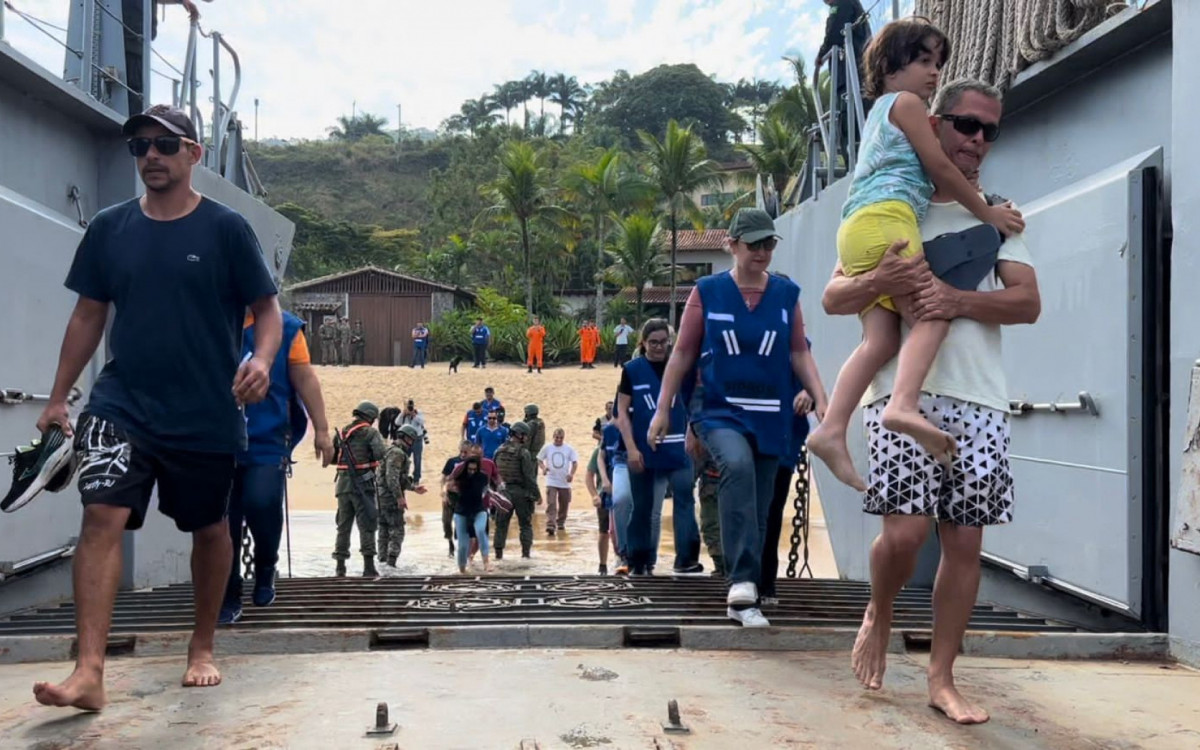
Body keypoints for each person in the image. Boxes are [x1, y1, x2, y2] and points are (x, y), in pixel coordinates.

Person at [32, 104, 280, 709]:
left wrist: (263, 361)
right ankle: (88, 670)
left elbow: (266, 310)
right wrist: (58, 395)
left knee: (209, 527)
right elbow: (89, 314)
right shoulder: (110, 229)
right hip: (124, 405)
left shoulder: (225, 230)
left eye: (165, 146)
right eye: (139, 146)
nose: (150, 157)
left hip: (205, 410)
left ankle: (201, 647)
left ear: (193, 154)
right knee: (101, 518)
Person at [821, 78, 1039, 725]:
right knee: (907, 534)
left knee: (964, 543)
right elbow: (834, 297)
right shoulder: (896, 202)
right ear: (936, 124)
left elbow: (1027, 302)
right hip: (898, 394)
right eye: (966, 125)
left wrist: (956, 300)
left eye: (989, 131)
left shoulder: (998, 216)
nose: (976, 141)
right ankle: (879, 612)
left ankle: (943, 677)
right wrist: (882, 279)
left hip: (979, 401)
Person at [805, 18, 1024, 492]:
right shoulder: (905, 104)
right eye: (923, 60)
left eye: (937, 63)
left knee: (880, 341)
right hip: (888, 219)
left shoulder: (885, 113)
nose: (933, 73)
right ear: (888, 66)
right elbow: (941, 168)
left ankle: (830, 428)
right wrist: (989, 216)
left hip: (860, 224)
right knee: (931, 313)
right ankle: (902, 404)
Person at [649, 207, 830, 628]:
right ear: (732, 245)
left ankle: (744, 600)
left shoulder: (787, 295)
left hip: (772, 415)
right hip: (719, 409)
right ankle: (742, 583)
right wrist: (663, 410)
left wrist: (820, 396)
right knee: (736, 466)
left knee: (763, 503)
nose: (763, 252)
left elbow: (799, 352)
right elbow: (682, 353)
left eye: (769, 243)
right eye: (754, 244)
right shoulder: (707, 292)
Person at [219, 308, 334, 625]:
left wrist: (322, 430)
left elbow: (304, 377)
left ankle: (266, 563)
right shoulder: (207, 316)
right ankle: (227, 592)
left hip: (267, 437)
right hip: (216, 437)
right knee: (222, 521)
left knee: (262, 500)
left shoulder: (286, 327)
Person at [615, 318, 702, 576]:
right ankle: (638, 562)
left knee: (685, 499)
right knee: (642, 506)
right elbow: (621, 412)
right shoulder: (632, 370)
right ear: (643, 343)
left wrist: (694, 433)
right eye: (653, 342)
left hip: (679, 448)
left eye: (664, 342)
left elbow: (694, 402)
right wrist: (630, 448)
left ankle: (686, 559)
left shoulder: (682, 367)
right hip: (644, 449)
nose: (659, 347)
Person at [760, 387, 814, 605]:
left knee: (771, 515)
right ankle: (742, 578)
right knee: (747, 513)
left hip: (782, 446)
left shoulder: (800, 357)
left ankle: (764, 582)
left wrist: (810, 392)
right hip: (750, 439)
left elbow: (817, 389)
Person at [332, 401, 387, 577]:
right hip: (362, 485)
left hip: (342, 485)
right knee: (368, 525)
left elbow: (334, 458)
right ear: (371, 417)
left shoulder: (342, 433)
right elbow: (380, 454)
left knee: (343, 526)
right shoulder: (370, 433)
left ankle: (340, 567)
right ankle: (368, 567)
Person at [816, 0, 873, 158]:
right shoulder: (852, 5)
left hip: (850, 78)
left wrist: (821, 56)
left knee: (851, 127)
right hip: (858, 76)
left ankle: (855, 167)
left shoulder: (842, 4)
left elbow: (835, 34)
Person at [378, 423, 427, 570]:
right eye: (411, 440)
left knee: (384, 530)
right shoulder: (398, 453)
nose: (412, 443)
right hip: (389, 498)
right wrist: (399, 498)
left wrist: (413, 488)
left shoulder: (391, 450)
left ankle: (382, 564)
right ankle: (391, 564)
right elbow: (392, 478)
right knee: (397, 530)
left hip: (381, 497)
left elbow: (399, 478)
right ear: (405, 438)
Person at [492, 422, 541, 559]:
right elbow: (529, 477)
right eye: (525, 435)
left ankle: (498, 556)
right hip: (520, 493)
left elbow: (494, 474)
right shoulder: (523, 453)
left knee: (501, 525)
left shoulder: (499, 450)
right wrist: (537, 495)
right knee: (525, 525)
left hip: (503, 493)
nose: (526, 438)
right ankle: (526, 556)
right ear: (519, 435)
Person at [448, 457, 493, 573]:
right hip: (462, 512)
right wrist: (451, 491)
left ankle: (486, 563)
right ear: (466, 468)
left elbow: (486, 490)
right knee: (463, 545)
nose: (472, 472)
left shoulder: (482, 477)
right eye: (469, 469)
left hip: (479, 510)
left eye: (474, 469)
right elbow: (448, 485)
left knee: (480, 531)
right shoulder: (460, 477)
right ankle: (462, 570)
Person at [600, 408, 631, 574]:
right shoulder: (609, 432)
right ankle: (619, 557)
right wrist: (604, 481)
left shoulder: (638, 427)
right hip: (611, 488)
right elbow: (598, 459)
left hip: (631, 482)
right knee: (610, 529)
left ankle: (634, 558)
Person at [585, 418, 614, 575]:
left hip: (624, 494)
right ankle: (602, 565)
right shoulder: (598, 451)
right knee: (604, 531)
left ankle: (625, 560)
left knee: (624, 530)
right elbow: (589, 476)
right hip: (604, 495)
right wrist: (594, 495)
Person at [538, 428, 578, 536]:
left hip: (564, 481)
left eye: (561, 438)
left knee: (564, 503)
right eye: (556, 437)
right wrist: (543, 468)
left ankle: (560, 522)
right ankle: (550, 524)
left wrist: (571, 474)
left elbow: (575, 462)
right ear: (553, 437)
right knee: (551, 503)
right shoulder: (547, 447)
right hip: (551, 480)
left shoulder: (569, 449)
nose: (558, 440)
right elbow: (539, 459)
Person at [440, 441, 474, 557]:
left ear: (471, 452)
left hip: (464, 499)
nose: (463, 455)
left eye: (466, 452)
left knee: (462, 524)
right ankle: (450, 545)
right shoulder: (452, 462)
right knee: (446, 522)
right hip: (450, 497)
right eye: (461, 452)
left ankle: (462, 549)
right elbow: (443, 479)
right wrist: (444, 493)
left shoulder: (473, 465)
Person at [397, 400, 427, 483]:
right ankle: (403, 476)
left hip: (417, 439)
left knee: (417, 459)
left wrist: (414, 415)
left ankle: (416, 478)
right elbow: (397, 422)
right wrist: (403, 414)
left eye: (411, 407)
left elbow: (422, 422)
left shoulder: (418, 413)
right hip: (406, 440)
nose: (410, 408)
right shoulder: (404, 414)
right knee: (404, 458)